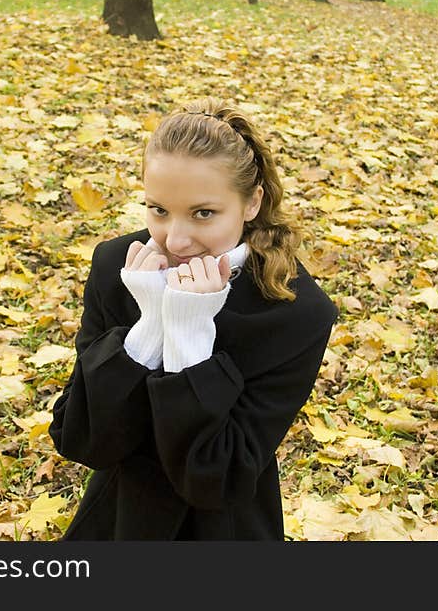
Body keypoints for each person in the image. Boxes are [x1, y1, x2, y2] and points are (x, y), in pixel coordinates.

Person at [48, 97, 338, 540]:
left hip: (226, 529)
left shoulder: (296, 312)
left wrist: (187, 337)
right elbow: (79, 437)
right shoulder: (117, 267)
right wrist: (147, 331)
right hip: (119, 518)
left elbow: (216, 476)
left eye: (204, 213)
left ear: (251, 203)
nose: (176, 239)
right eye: (158, 210)